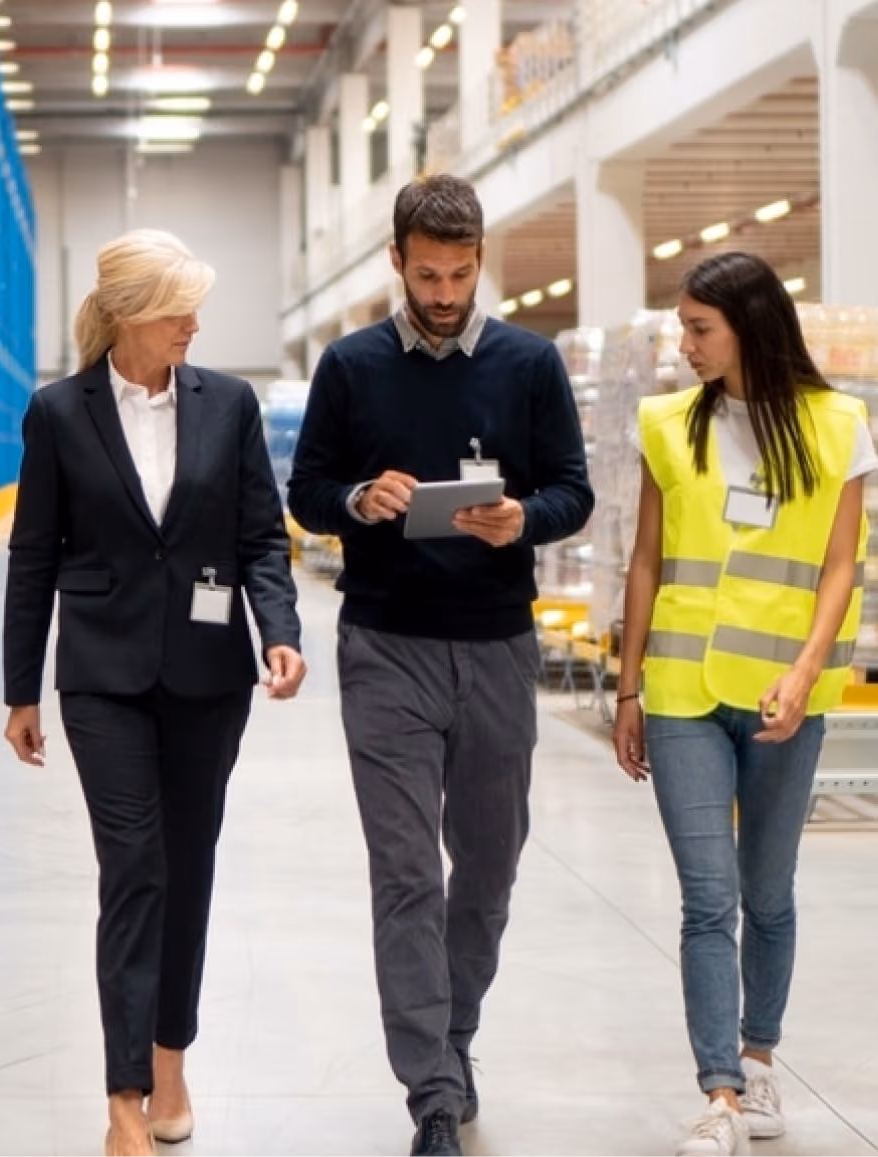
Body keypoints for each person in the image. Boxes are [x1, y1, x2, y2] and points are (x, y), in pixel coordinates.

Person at [288, 173, 594, 1157]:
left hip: (499, 644)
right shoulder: (349, 366)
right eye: (430, 274)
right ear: (397, 261)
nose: (448, 291)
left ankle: (454, 1038)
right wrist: (358, 500)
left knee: (490, 869)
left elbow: (573, 492)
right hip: (384, 647)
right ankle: (429, 1089)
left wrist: (522, 519)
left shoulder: (530, 363)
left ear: (480, 261)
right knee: (408, 874)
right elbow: (307, 491)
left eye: (463, 273)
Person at [2, 229, 306, 1157]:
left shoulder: (230, 403)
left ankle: (173, 1052)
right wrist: (22, 690)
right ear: (131, 312)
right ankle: (125, 1092)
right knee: (133, 866)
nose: (195, 323)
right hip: (103, 676)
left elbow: (262, 534)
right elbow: (33, 554)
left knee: (188, 865)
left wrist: (281, 630)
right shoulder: (59, 412)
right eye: (179, 308)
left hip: (211, 677)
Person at [613, 251, 877, 1157]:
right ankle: (718, 1090)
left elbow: (843, 566)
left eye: (698, 328)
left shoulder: (839, 425)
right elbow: (646, 561)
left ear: (749, 326)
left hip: (782, 697)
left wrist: (805, 676)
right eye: (681, 327)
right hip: (683, 690)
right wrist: (627, 685)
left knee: (768, 894)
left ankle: (759, 1057)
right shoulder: (665, 424)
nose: (681, 345)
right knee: (706, 897)